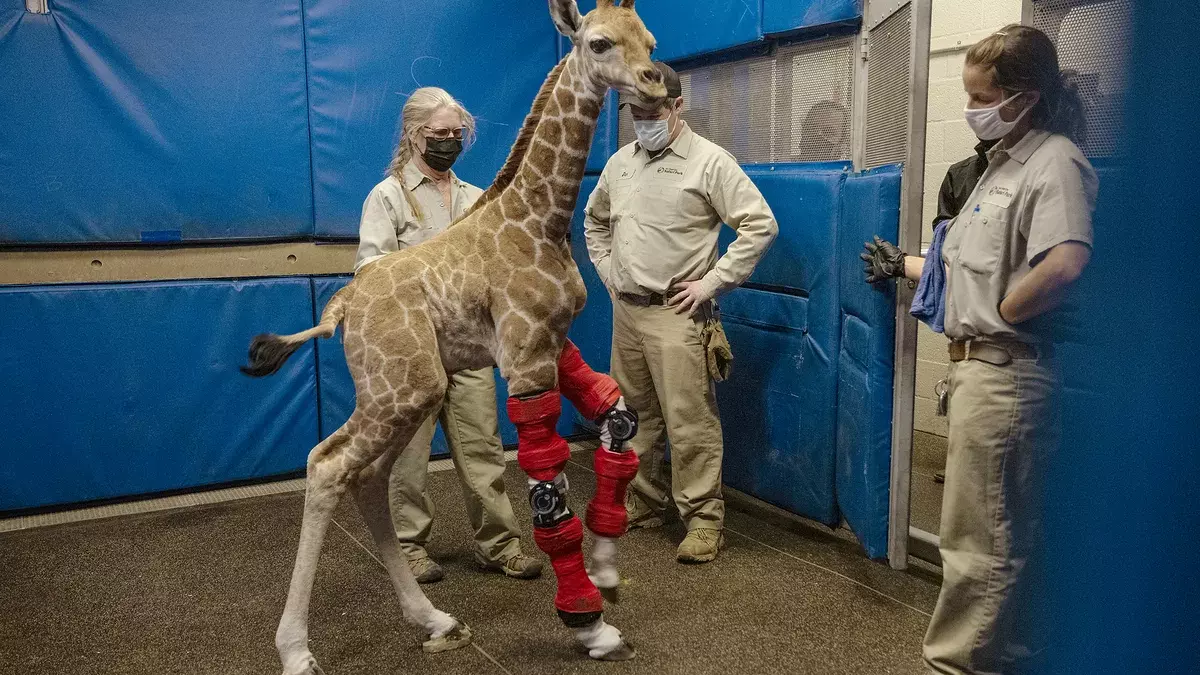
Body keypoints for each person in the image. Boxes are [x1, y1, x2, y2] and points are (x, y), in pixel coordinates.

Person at [862, 26, 1096, 674]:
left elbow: (1068, 260)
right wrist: (911, 267)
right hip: (980, 373)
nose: (972, 108)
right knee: (1005, 534)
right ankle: (1015, 653)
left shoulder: (1053, 162)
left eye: (981, 95)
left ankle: (955, 664)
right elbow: (960, 269)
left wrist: (1007, 310)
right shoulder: (996, 167)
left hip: (1005, 372)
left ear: (1023, 96)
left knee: (978, 543)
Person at [583, 62, 778, 564]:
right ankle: (646, 502)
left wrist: (713, 283)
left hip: (677, 313)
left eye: (652, 110)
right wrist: (609, 274)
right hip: (627, 312)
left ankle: (703, 520)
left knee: (689, 421)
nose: (643, 119)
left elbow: (760, 225)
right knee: (632, 416)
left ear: (676, 106)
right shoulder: (620, 163)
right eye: (634, 111)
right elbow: (595, 222)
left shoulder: (709, 162)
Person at [355, 86, 542, 584]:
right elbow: (370, 272)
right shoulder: (388, 196)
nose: (448, 142)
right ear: (414, 135)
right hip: (411, 353)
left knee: (483, 448)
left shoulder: (478, 199)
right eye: (438, 134)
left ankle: (499, 545)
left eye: (457, 134)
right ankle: (410, 550)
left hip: (469, 347)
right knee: (408, 459)